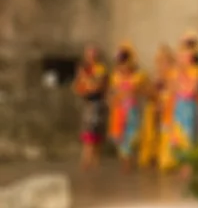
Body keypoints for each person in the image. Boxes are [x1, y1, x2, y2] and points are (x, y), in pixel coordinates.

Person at [108, 43, 145, 172]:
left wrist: (131, 92)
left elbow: (140, 91)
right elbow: (112, 93)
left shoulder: (137, 77)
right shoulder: (115, 78)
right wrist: (113, 99)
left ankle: (129, 159)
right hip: (119, 110)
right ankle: (125, 160)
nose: (122, 67)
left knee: (132, 135)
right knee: (121, 136)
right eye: (120, 64)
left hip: (132, 111)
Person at [139, 45, 175, 170]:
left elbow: (172, 92)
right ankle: (152, 154)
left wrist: (162, 100)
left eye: (164, 61)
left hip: (169, 106)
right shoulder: (156, 75)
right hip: (156, 105)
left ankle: (167, 157)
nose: (161, 64)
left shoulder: (173, 74)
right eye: (159, 61)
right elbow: (151, 92)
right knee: (150, 117)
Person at [73, 44, 107, 171]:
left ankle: (89, 159)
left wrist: (85, 79)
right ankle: (89, 159)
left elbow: (96, 86)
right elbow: (78, 87)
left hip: (97, 103)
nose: (90, 57)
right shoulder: (85, 69)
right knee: (88, 131)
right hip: (88, 103)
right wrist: (83, 82)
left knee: (93, 131)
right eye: (88, 54)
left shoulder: (100, 69)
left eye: (92, 54)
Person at [171, 43, 198, 177]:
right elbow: (173, 89)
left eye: (185, 56)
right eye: (180, 56)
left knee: (189, 135)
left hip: (189, 106)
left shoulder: (195, 71)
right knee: (178, 135)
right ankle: (181, 162)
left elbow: (191, 90)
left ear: (191, 58)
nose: (181, 59)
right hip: (178, 106)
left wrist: (182, 82)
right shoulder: (175, 72)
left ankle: (189, 164)